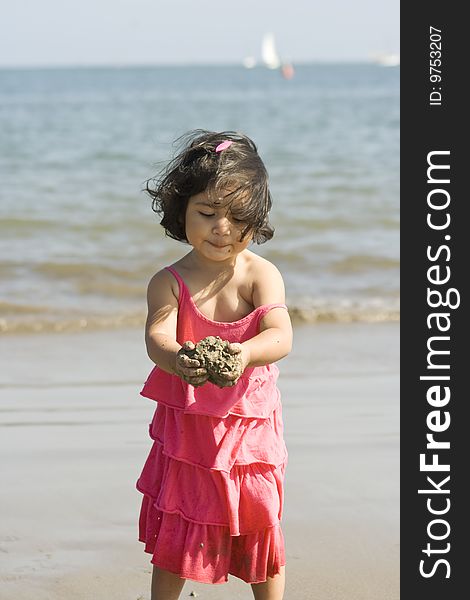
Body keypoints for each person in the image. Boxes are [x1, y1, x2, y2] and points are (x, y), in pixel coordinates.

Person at [136, 130, 293, 600]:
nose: (222, 227)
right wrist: (178, 359)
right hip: (191, 438)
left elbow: (280, 334)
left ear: (256, 220)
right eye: (207, 214)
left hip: (250, 432)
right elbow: (157, 337)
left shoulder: (260, 275)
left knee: (259, 519)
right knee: (180, 529)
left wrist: (244, 352)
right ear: (180, 211)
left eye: (237, 217)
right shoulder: (169, 282)